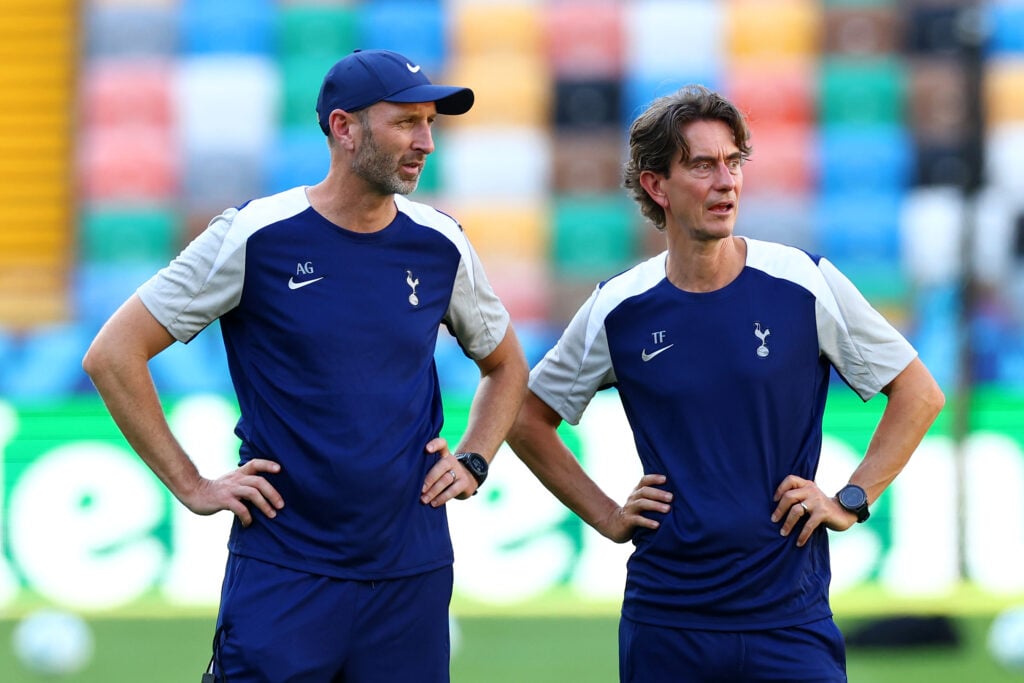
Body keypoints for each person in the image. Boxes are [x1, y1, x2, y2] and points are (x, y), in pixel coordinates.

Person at [82, 49, 528, 682]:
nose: (426, 142)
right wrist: (192, 485)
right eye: (406, 122)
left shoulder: (441, 242)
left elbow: (507, 365)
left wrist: (477, 458)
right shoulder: (255, 234)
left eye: (431, 124)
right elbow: (113, 354)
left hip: (411, 574)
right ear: (344, 129)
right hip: (285, 570)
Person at [506, 84, 945, 682]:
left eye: (734, 162)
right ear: (657, 186)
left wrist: (851, 499)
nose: (726, 181)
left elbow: (919, 392)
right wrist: (607, 515)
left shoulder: (802, 281)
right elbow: (526, 415)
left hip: (789, 618)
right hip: (667, 620)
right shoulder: (619, 306)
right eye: (703, 165)